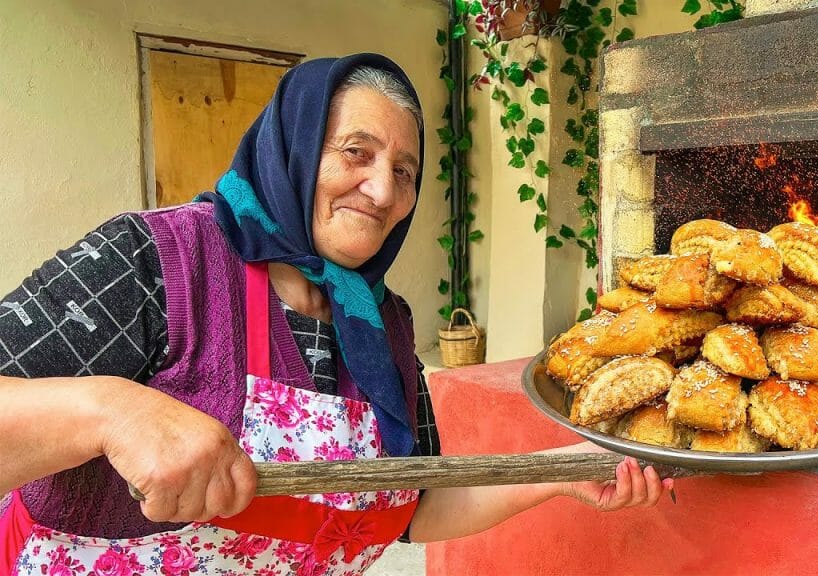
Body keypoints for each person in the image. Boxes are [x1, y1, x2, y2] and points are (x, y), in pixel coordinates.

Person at [0, 54, 670, 575]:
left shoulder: (384, 324)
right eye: (356, 152)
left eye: (404, 170)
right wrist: (112, 411)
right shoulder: (158, 259)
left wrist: (561, 471)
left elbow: (415, 504)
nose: (382, 190)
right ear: (292, 148)